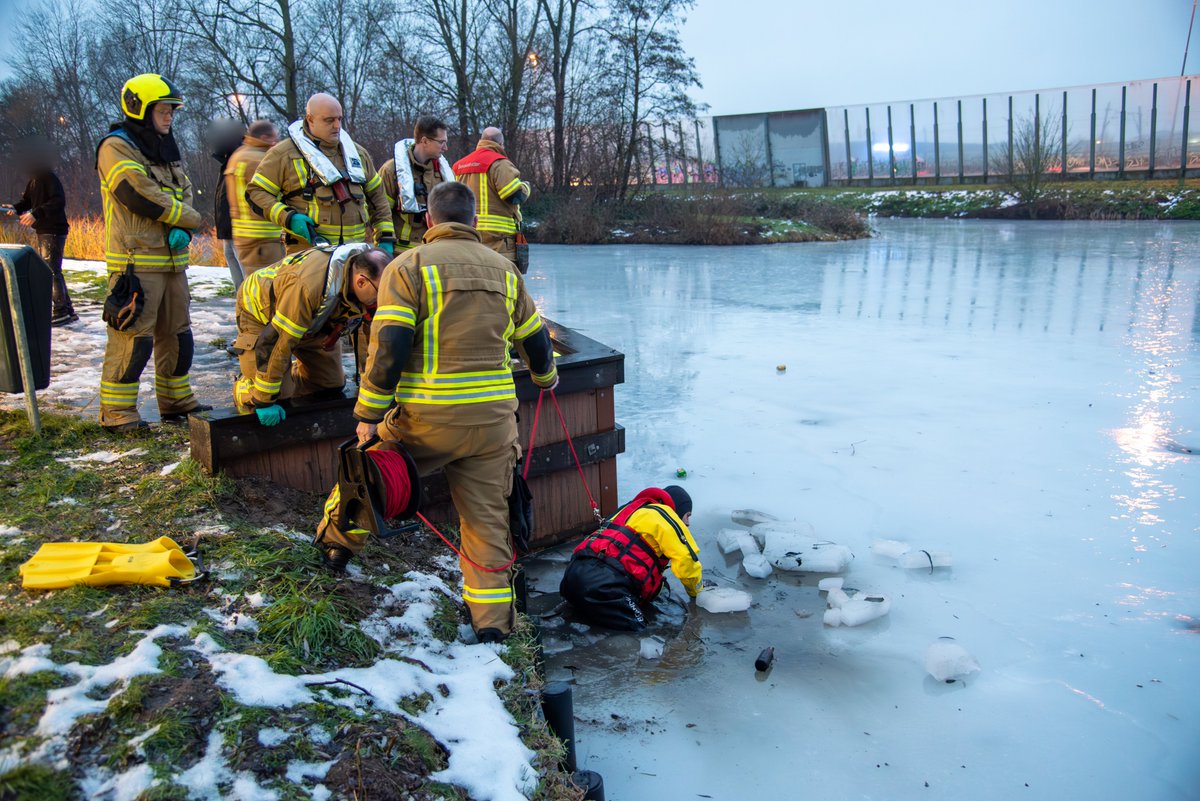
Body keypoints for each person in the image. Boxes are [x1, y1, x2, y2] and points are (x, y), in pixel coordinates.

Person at [315, 181, 558, 643]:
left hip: (426, 420)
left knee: (368, 478)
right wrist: (546, 379)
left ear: (429, 220)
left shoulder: (407, 267)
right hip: (492, 425)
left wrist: (369, 413)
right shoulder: (507, 271)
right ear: (474, 221)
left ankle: (334, 548)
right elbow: (535, 340)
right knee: (487, 525)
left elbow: (390, 345)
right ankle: (492, 626)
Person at [95, 73, 210, 432]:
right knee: (134, 339)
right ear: (140, 109)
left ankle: (176, 401)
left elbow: (185, 189)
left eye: (172, 110)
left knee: (178, 335)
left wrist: (183, 227)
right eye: (163, 110)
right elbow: (137, 192)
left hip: (173, 262)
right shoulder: (117, 146)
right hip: (137, 262)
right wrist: (188, 219)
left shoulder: (163, 147)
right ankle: (117, 412)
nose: (170, 116)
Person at [233, 244, 388, 423]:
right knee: (277, 395)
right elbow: (275, 342)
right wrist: (263, 400)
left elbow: (372, 341)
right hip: (261, 317)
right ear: (361, 282)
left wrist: (375, 388)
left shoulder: (363, 281)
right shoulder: (306, 287)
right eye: (380, 292)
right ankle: (245, 387)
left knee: (330, 385)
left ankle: (286, 375)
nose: (383, 298)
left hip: (310, 322)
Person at [246, 93, 394, 255]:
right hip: (309, 255)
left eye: (339, 119)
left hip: (355, 255)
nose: (337, 126)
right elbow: (256, 192)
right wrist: (288, 217)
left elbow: (377, 197)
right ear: (310, 119)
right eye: (329, 120)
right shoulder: (284, 154)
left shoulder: (357, 154)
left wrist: (385, 237)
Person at [559, 485, 703, 631]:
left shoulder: (628, 510)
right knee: (640, 631)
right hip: (606, 587)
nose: (688, 523)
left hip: (571, 577)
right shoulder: (665, 516)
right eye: (687, 515)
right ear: (676, 510)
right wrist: (697, 592)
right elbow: (687, 560)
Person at [3, 140, 77, 326]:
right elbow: (28, 201)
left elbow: (58, 201)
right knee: (54, 270)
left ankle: (60, 311)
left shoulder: (48, 178)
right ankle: (67, 310)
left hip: (54, 229)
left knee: (50, 270)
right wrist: (15, 208)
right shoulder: (34, 180)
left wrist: (36, 214)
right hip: (44, 229)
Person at [452, 127, 530, 271]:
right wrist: (526, 187)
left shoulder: (458, 166)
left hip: (467, 237)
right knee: (501, 280)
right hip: (499, 240)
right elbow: (514, 195)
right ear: (500, 144)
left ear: (481, 141)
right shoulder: (500, 163)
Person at [378, 115, 454, 251]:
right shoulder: (391, 171)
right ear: (425, 141)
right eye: (441, 142)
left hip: (434, 250)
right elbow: (381, 211)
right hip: (400, 252)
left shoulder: (444, 173)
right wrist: (385, 242)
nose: (446, 148)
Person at [225, 119, 284, 274]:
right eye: (275, 138)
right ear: (264, 138)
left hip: (246, 235)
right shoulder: (258, 159)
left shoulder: (240, 154)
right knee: (267, 283)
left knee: (254, 281)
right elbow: (275, 192)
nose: (277, 142)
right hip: (263, 236)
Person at [207, 117, 247, 289]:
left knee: (244, 269)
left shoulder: (241, 161)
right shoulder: (227, 164)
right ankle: (241, 300)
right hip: (227, 228)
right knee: (232, 259)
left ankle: (249, 301)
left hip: (238, 228)